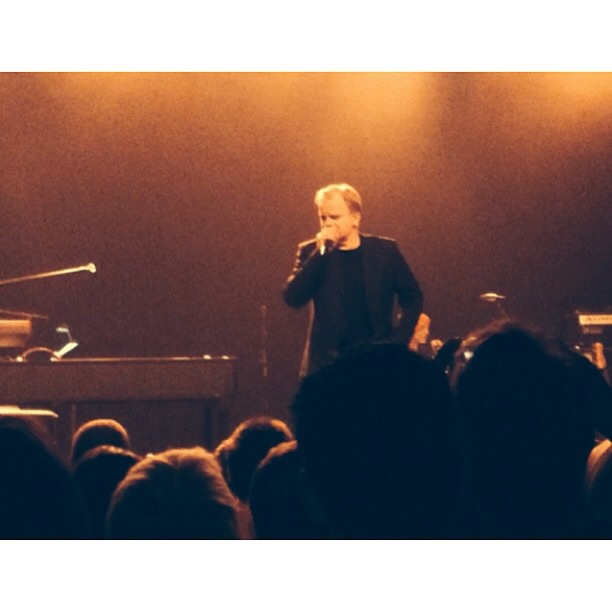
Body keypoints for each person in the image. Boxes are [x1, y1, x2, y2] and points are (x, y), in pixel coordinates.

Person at [283, 183, 423, 377]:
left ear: (355, 218)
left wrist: (397, 343)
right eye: (323, 217)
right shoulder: (311, 252)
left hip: (376, 363)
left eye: (335, 217)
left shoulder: (384, 252)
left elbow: (412, 296)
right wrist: (321, 253)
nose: (327, 224)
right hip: (328, 366)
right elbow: (293, 298)